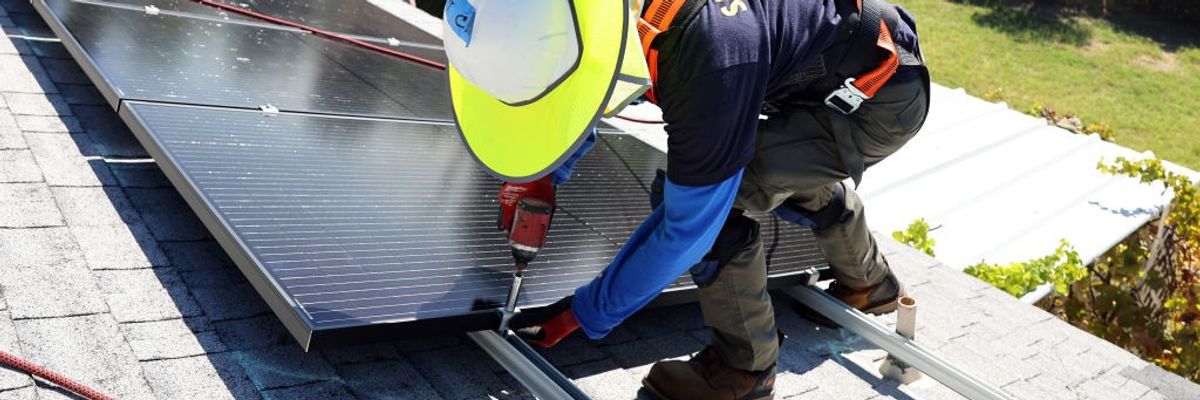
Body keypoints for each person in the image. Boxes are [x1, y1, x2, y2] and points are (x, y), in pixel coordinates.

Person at [443, 0, 929, 398]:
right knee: (776, 165)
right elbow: (586, 74)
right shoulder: (619, 15)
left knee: (722, 203)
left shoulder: (709, 58)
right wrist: (545, 174)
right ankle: (871, 284)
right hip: (834, 60)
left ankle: (746, 369)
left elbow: (686, 233)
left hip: (876, 99)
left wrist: (586, 312)